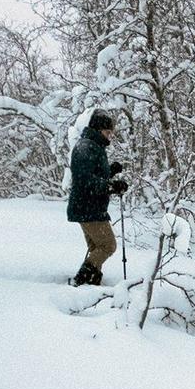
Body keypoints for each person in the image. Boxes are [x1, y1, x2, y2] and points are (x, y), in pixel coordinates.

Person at [67, 111, 126, 286]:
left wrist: (110, 170)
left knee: (96, 247)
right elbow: (85, 179)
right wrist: (111, 186)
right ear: (98, 129)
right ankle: (83, 278)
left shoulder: (93, 146)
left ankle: (91, 283)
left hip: (88, 206)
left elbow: (93, 172)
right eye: (108, 132)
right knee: (108, 245)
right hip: (88, 207)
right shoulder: (86, 147)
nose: (110, 136)